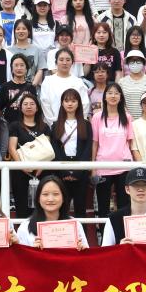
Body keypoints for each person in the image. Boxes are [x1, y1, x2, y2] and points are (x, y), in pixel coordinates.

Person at [92, 83, 139, 217]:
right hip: (103, 166)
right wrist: (93, 167)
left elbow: (130, 143)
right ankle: (104, 231)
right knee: (103, 206)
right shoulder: (97, 117)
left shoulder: (127, 117)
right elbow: (95, 143)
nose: (113, 96)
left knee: (124, 206)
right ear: (105, 96)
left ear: (121, 97)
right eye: (110, 93)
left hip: (124, 166)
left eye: (117, 93)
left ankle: (122, 230)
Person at [6, 92, 50, 218]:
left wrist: (41, 167)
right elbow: (12, 148)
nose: (29, 106)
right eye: (25, 104)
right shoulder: (15, 126)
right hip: (20, 172)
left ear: (37, 108)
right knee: (22, 208)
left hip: (40, 172)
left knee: (41, 208)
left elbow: (47, 149)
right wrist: (23, 166)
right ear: (20, 108)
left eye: (32, 104)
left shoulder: (44, 127)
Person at [51, 89, 92, 219]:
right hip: (61, 169)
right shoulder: (56, 125)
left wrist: (77, 171)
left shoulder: (86, 124)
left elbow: (88, 148)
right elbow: (55, 149)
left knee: (81, 208)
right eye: (67, 101)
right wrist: (65, 171)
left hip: (81, 169)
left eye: (73, 101)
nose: (70, 104)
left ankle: (82, 232)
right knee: (62, 208)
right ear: (62, 103)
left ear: (78, 103)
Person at [39, 47, 89, 126]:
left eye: (68, 60)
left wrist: (76, 124)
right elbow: (45, 104)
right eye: (61, 60)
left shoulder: (78, 82)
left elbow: (84, 104)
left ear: (72, 63)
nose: (64, 63)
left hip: (75, 126)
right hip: (53, 125)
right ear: (56, 62)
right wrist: (54, 124)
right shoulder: (48, 81)